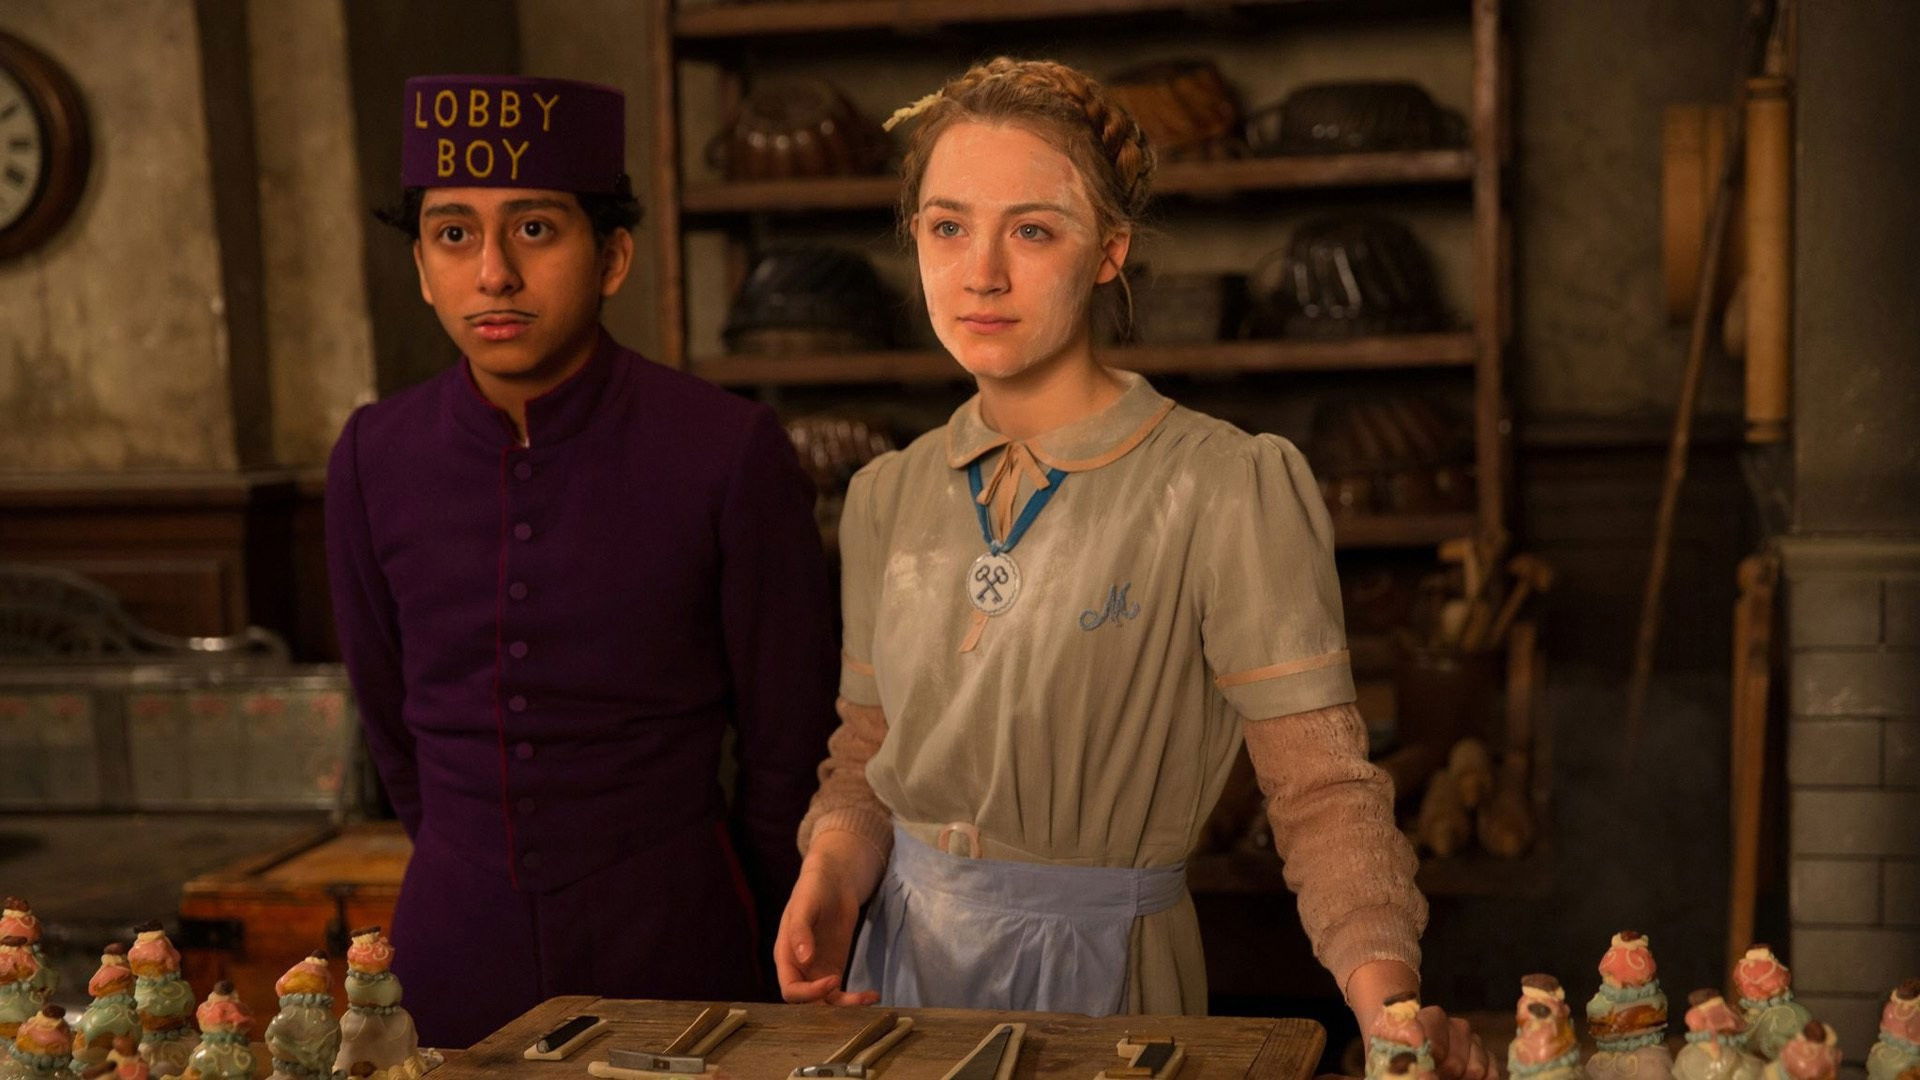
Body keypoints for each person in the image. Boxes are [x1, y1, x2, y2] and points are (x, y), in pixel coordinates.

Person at [773, 58, 1493, 1080]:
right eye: (947, 227)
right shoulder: (888, 495)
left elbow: (1323, 790)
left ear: (1109, 250)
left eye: (1033, 231)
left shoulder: (1220, 486)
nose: (980, 272)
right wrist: (835, 875)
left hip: (1106, 989)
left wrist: (1391, 1011)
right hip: (903, 988)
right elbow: (868, 755)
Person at [325, 74, 836, 1047]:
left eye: (534, 229)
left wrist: (776, 931)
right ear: (423, 267)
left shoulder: (725, 449)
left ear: (612, 256)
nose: (493, 274)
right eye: (453, 233)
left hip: (677, 940)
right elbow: (391, 724)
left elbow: (787, 742)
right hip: (452, 941)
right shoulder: (373, 455)